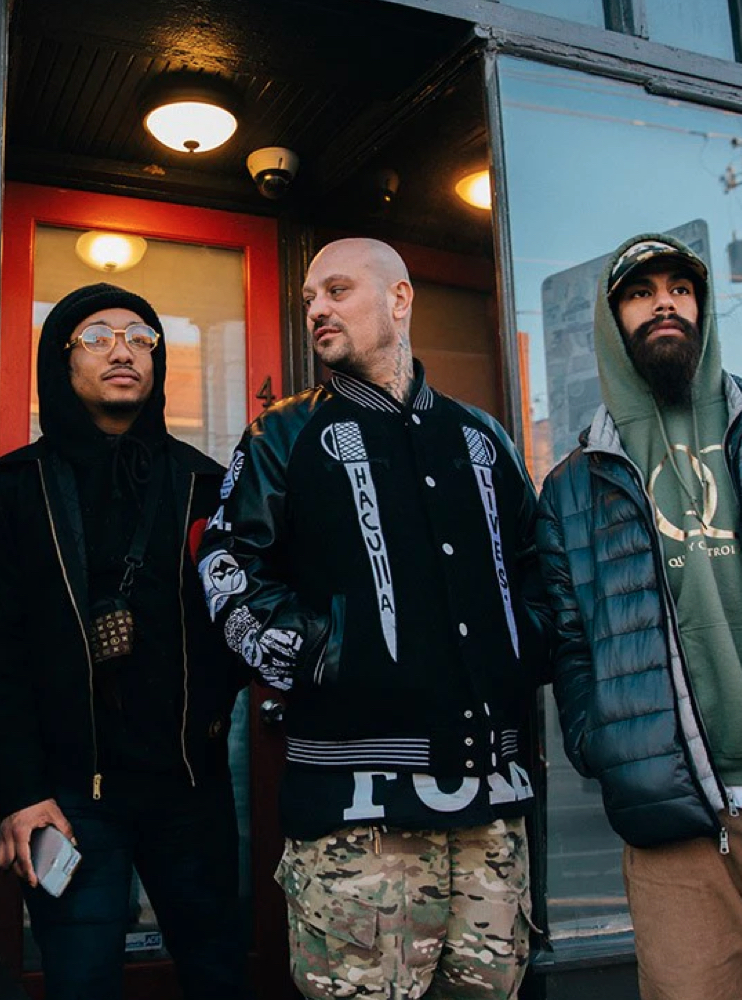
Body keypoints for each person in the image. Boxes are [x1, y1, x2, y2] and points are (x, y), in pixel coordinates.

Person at [198, 237, 553, 1000]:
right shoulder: (281, 436)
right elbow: (228, 571)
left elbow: (541, 567)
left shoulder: (483, 437)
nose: (317, 309)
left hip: (494, 810)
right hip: (354, 819)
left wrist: (527, 648)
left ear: (399, 299)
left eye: (337, 290)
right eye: (308, 299)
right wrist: (323, 652)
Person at [535, 232, 742, 1000]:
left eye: (680, 290)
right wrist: (608, 743)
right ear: (612, 317)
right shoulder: (574, 487)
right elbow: (570, 645)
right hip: (676, 827)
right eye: (641, 292)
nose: (665, 305)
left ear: (704, 307)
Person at [0, 284, 251, 1000]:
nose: (123, 350)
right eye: (99, 335)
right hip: (68, 801)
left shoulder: (207, 485)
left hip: (191, 789)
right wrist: (20, 793)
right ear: (61, 359)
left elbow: (243, 619)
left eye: (142, 336)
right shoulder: (19, 488)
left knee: (218, 972)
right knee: (81, 982)